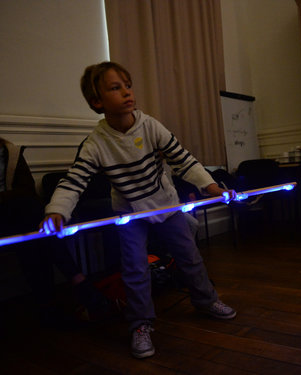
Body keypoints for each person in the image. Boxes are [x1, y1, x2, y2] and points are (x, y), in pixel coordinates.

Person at [39, 61, 237, 359]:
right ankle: (141, 324)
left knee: (189, 256)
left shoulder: (151, 126)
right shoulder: (95, 144)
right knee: (133, 268)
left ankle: (206, 300)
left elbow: (183, 160)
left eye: (128, 85)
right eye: (115, 88)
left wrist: (211, 188)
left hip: (166, 205)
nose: (127, 93)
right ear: (97, 101)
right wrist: (56, 212)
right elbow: (73, 182)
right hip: (129, 213)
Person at [0, 137, 115, 326]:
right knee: (33, 224)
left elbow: (26, 190)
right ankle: (79, 283)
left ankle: (48, 303)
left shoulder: (10, 151)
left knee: (34, 225)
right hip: (15, 217)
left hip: (17, 215)